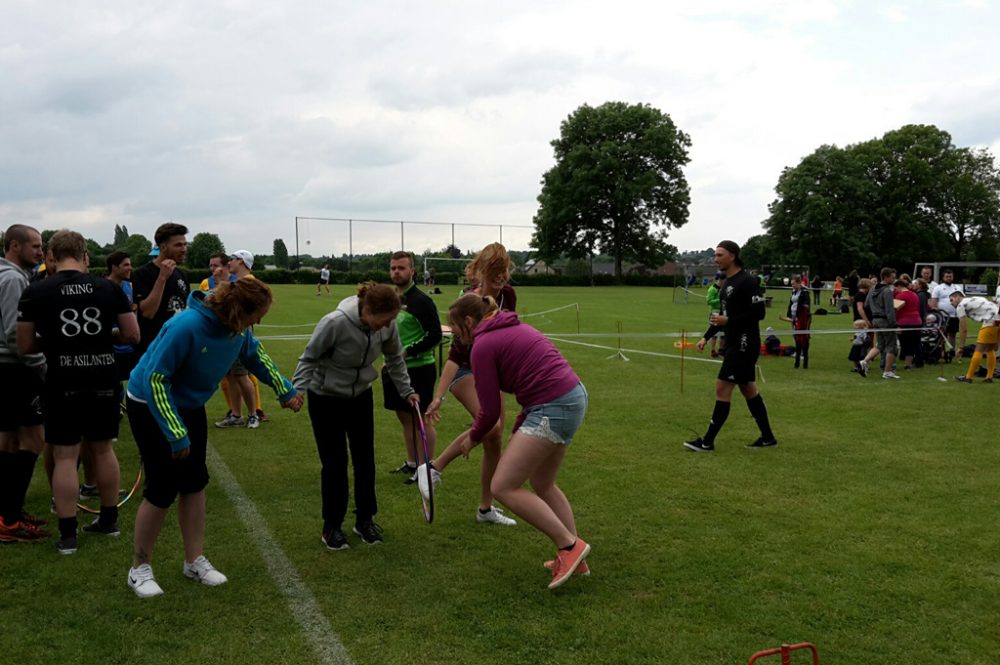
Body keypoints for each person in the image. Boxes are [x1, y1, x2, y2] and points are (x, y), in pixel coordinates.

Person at [125, 278, 302, 597]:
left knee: (194, 482)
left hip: (189, 405)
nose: (258, 322)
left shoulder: (239, 329)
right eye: (256, 315)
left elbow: (256, 357)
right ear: (237, 310)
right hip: (150, 404)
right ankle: (139, 568)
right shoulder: (186, 326)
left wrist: (284, 388)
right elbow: (155, 380)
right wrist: (176, 433)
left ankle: (194, 560)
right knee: (163, 487)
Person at [444, 293, 590, 589]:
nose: (458, 340)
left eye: (457, 332)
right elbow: (530, 384)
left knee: (502, 487)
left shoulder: (482, 345)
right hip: (570, 398)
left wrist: (471, 439)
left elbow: (489, 413)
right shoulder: (508, 326)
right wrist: (521, 425)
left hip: (554, 406)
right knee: (543, 483)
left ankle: (568, 545)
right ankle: (577, 557)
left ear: (469, 322)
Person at [16, 231, 139, 554]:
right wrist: (99, 337)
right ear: (85, 254)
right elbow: (131, 335)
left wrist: (57, 341)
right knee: (102, 450)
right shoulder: (109, 288)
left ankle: (68, 535)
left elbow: (26, 345)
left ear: (52, 255)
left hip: (61, 380)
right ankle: (109, 521)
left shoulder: (36, 290)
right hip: (102, 377)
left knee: (65, 455)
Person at [293, 282, 417, 551]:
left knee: (365, 460)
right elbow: (309, 358)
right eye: (383, 320)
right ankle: (332, 526)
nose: (386, 327)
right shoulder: (335, 323)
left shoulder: (387, 326)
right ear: (368, 310)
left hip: (360, 395)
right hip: (325, 397)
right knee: (335, 462)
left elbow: (395, 359)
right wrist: (298, 390)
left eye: (391, 321)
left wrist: (407, 392)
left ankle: (365, 520)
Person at [418, 243, 518, 527]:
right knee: (492, 426)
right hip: (464, 372)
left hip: (491, 372)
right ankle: (434, 468)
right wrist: (438, 396)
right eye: (494, 271)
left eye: (504, 271)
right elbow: (454, 355)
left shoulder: (509, 295)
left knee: (494, 441)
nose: (500, 277)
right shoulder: (470, 301)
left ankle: (485, 509)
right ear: (481, 272)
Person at [685, 241, 776, 452]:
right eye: (715, 255)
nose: (715, 259)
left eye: (719, 255)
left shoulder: (749, 281)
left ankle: (707, 442)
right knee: (748, 389)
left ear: (732, 256)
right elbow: (722, 318)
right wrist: (706, 337)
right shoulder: (726, 283)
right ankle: (768, 437)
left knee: (722, 386)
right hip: (734, 342)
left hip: (745, 343)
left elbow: (759, 313)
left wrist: (729, 321)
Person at [0, 224, 48, 544]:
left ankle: (8, 512)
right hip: (14, 370)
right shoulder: (14, 278)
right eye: (35, 246)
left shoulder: (9, 275)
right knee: (32, 441)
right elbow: (16, 335)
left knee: (12, 441)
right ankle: (10, 521)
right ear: (14, 246)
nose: (41, 252)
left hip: (6, 370)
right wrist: (42, 367)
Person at [383, 252, 442, 481]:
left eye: (401, 268)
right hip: (395, 369)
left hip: (419, 369)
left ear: (412, 271)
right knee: (404, 418)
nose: (396, 272)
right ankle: (412, 462)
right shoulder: (392, 299)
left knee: (421, 420)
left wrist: (408, 350)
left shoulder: (421, 300)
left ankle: (426, 469)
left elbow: (435, 334)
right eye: (393, 268)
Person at [214, 250, 265, 429]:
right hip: (231, 335)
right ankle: (236, 414)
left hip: (240, 336)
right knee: (232, 376)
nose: (229, 262)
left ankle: (253, 414)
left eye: (233, 259)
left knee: (242, 376)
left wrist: (222, 283)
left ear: (241, 262)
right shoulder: (239, 282)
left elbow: (232, 306)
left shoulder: (249, 283)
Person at [132, 223, 189, 356]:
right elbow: (147, 312)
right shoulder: (142, 274)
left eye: (185, 244)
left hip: (179, 346)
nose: (184, 249)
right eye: (178, 245)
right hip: (154, 349)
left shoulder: (181, 275)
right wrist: (162, 278)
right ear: (163, 247)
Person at [950, 291, 999, 384]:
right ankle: (989, 377)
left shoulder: (960, 305)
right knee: (990, 349)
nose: (951, 303)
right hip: (997, 319)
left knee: (979, 350)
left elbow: (963, 329)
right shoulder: (976, 298)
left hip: (990, 321)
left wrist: (961, 347)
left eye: (951, 300)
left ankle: (968, 378)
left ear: (957, 297)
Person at [859, 267, 899, 379]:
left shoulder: (872, 289)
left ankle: (864, 361)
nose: (894, 279)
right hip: (885, 321)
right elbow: (889, 309)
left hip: (875, 320)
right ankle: (887, 371)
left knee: (880, 345)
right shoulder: (887, 290)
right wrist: (894, 324)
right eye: (892, 277)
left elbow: (866, 304)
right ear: (886, 277)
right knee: (892, 346)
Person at [929, 269, 964, 359]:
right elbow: (934, 302)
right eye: (947, 277)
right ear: (943, 277)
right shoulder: (938, 288)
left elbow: (962, 300)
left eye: (950, 276)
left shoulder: (958, 287)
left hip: (955, 315)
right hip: (943, 316)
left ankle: (951, 351)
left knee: (952, 334)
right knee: (942, 334)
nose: (948, 278)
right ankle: (940, 351)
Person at [780, 275, 811, 369]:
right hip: (794, 317)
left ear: (799, 283)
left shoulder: (804, 292)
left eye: (793, 284)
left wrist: (803, 307)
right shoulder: (794, 291)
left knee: (804, 339)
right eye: (791, 284)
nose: (792, 286)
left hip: (803, 318)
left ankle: (805, 362)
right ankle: (797, 362)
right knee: (796, 339)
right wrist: (789, 314)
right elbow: (791, 303)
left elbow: (807, 305)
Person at [894, 278, 922, 371]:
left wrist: (895, 323)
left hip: (904, 322)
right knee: (913, 343)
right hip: (917, 321)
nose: (895, 290)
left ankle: (895, 363)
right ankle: (908, 365)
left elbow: (897, 310)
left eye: (896, 288)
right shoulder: (915, 295)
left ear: (899, 286)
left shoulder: (900, 296)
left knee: (904, 344)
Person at [706, 273, 723, 358]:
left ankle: (720, 350)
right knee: (714, 333)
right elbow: (709, 301)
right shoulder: (712, 289)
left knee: (723, 334)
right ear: (720, 279)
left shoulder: (724, 289)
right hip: (714, 313)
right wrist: (719, 300)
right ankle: (713, 351)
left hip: (723, 313)